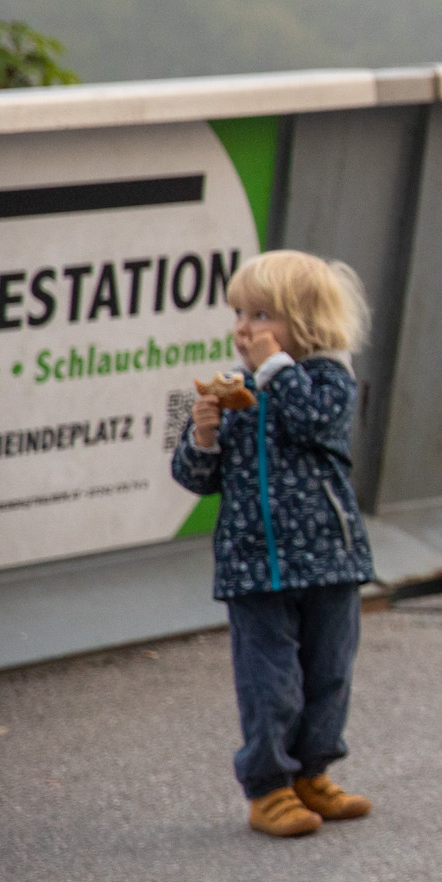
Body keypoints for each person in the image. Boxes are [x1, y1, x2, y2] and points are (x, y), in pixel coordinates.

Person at [169, 251, 378, 839]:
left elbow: (313, 422)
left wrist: (276, 370)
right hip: (252, 566)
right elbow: (193, 479)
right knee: (270, 683)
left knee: (328, 675)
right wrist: (203, 436)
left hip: (330, 559)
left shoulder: (331, 381)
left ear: (307, 323)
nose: (243, 327)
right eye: (238, 312)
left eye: (262, 314)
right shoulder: (232, 389)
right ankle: (268, 787)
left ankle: (313, 773)